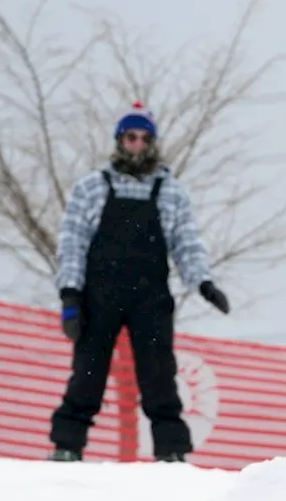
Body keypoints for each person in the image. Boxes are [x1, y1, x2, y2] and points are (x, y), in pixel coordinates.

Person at [49, 103, 230, 462]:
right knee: (87, 373)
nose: (137, 144)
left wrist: (204, 283)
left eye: (145, 138)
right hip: (99, 296)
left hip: (149, 297)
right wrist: (70, 295)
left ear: (153, 144)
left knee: (159, 374)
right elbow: (72, 241)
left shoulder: (170, 191)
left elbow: (186, 242)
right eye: (131, 137)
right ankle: (67, 445)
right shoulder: (92, 188)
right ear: (120, 141)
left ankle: (172, 451)